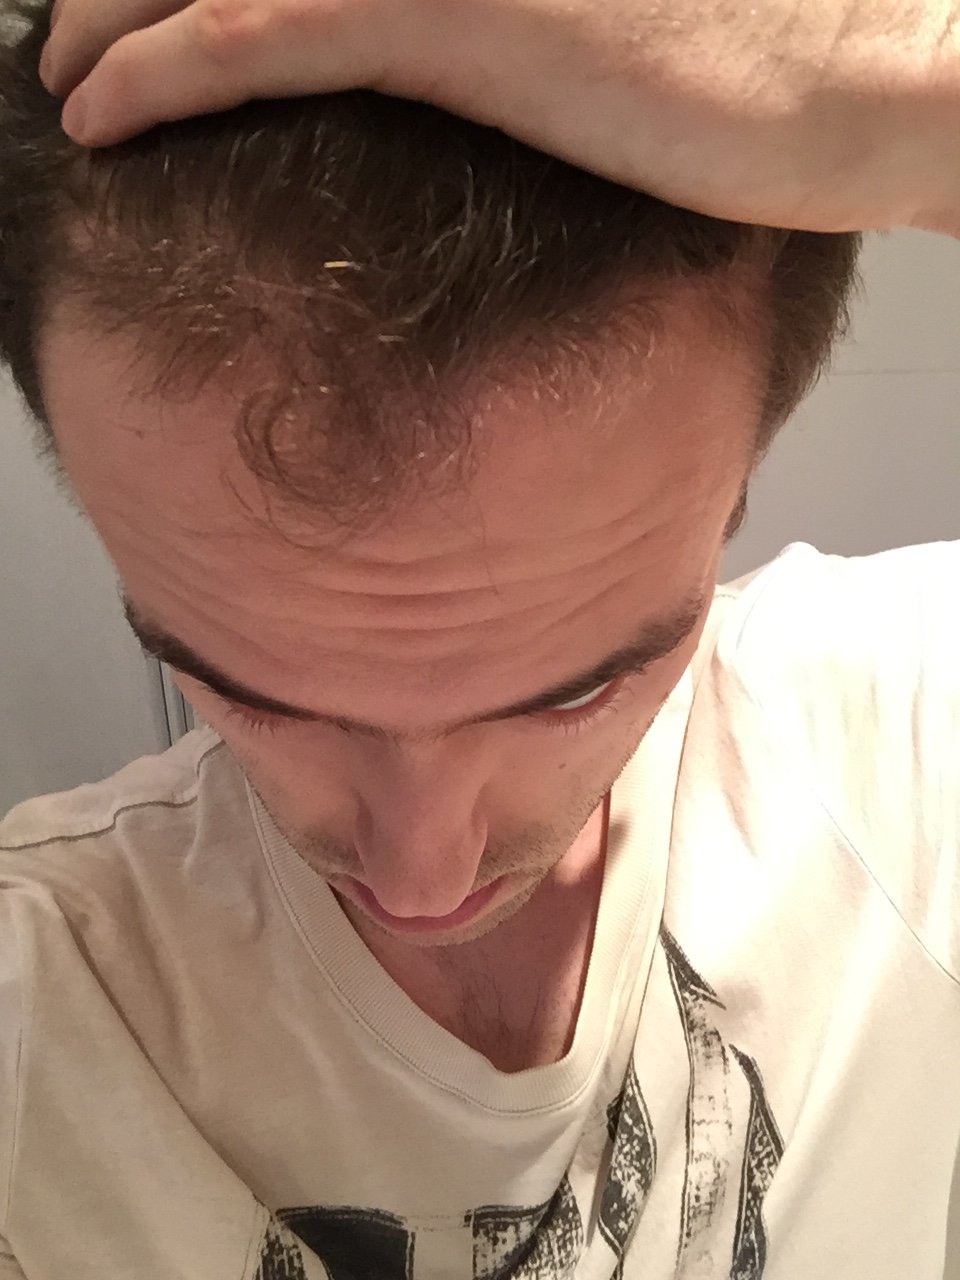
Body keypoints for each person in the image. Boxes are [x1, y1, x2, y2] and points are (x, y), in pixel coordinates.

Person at [0, 0, 956, 1276]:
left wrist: (901, 95)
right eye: (253, 694)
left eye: (577, 691)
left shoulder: (911, 744)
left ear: (736, 486)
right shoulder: (42, 1004)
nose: (423, 880)